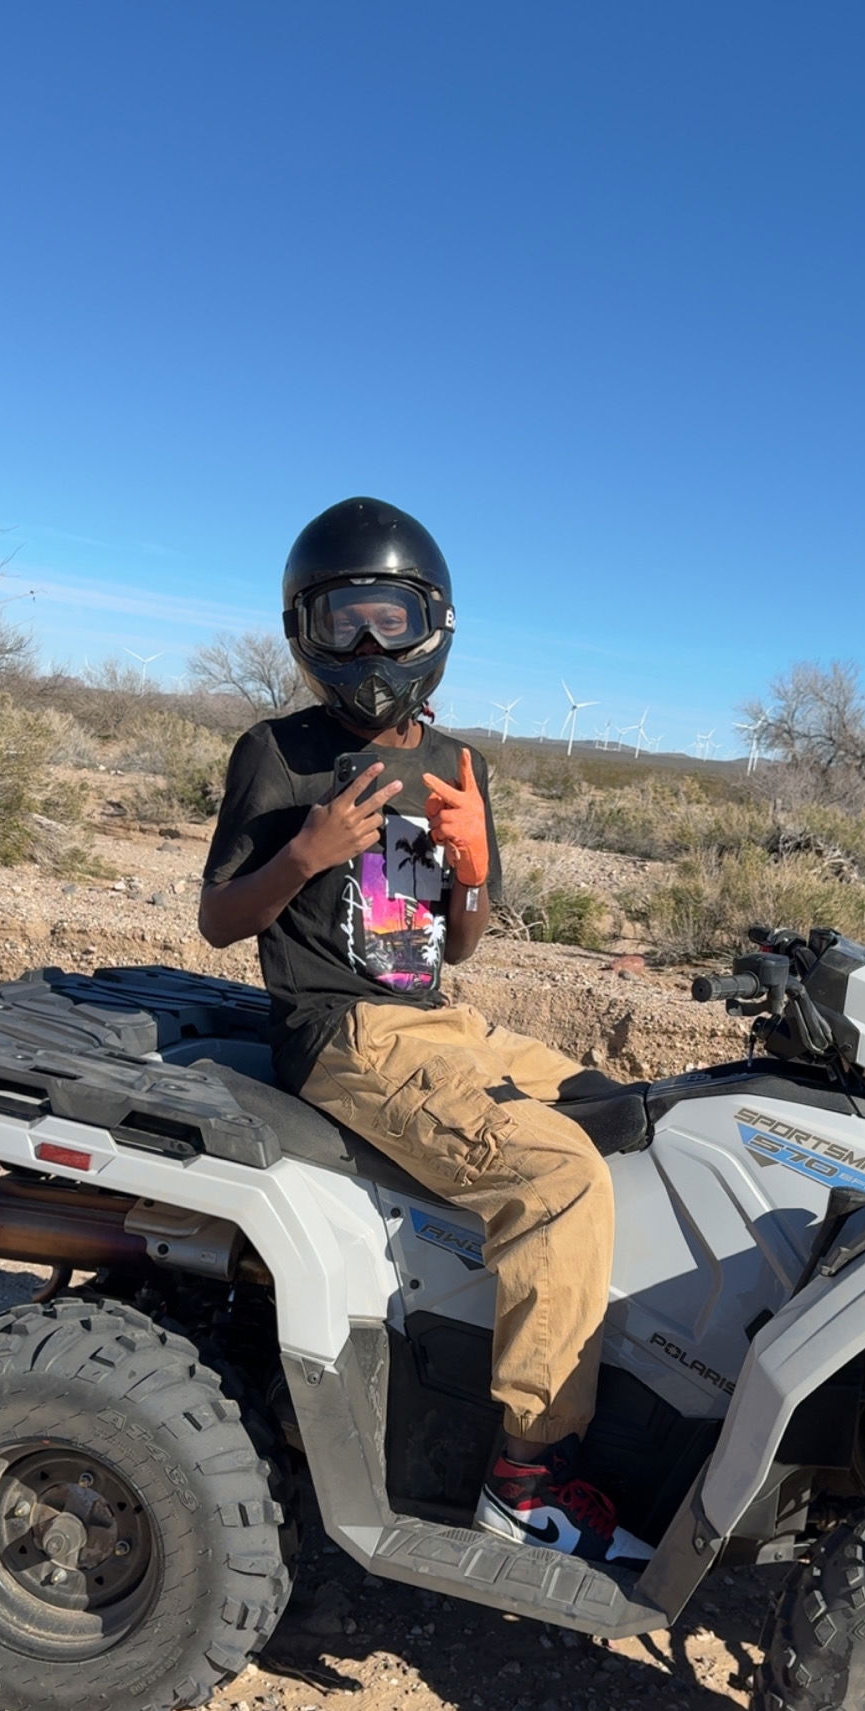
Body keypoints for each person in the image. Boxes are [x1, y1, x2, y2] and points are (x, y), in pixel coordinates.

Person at [199, 496, 650, 1565]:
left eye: (388, 620)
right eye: (343, 621)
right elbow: (221, 920)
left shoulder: (456, 760)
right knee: (557, 1178)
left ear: (431, 624)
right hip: (343, 1033)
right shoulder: (278, 753)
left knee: (635, 1115)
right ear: (305, 631)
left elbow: (462, 942)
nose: (367, 649)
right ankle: (528, 1472)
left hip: (437, 1017)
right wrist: (305, 855)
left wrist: (476, 869)